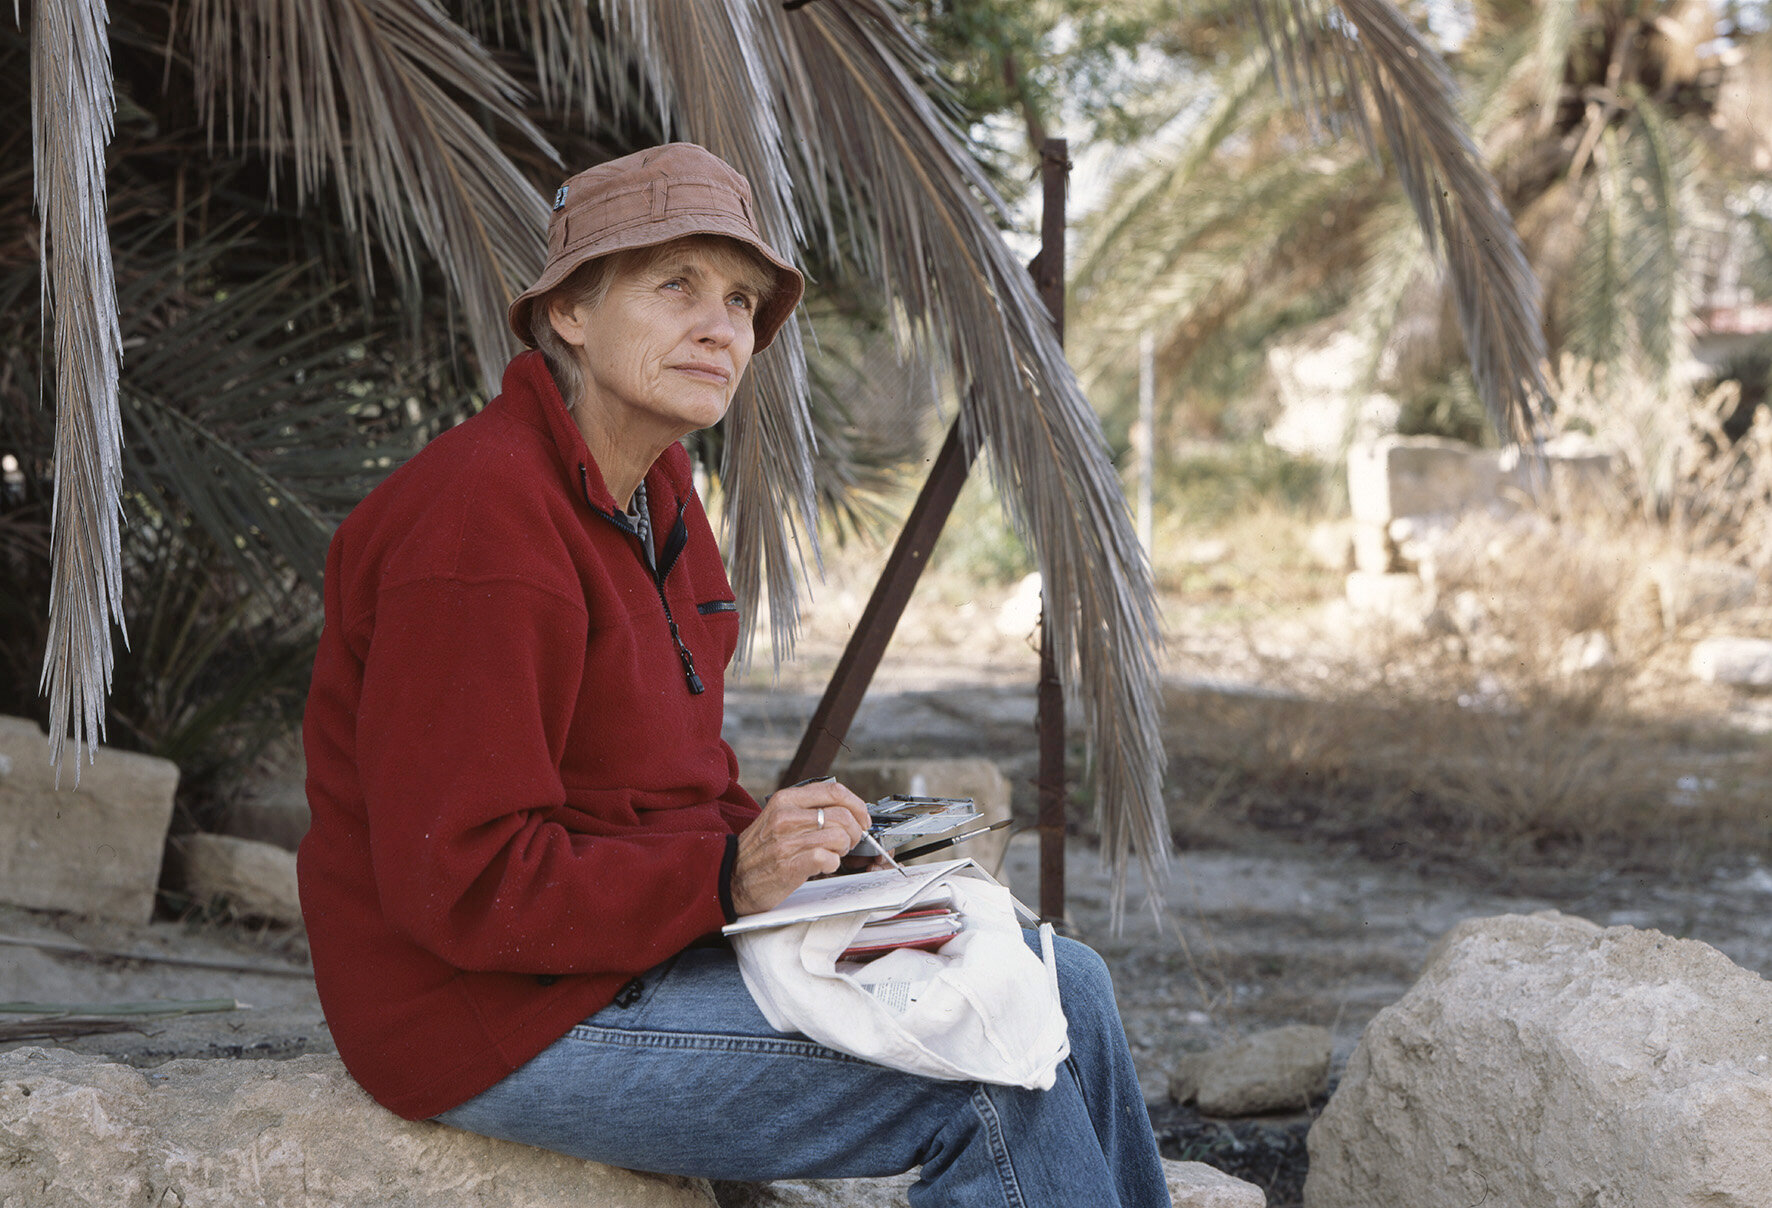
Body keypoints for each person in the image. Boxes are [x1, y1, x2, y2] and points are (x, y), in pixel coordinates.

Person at [297, 142, 1169, 1206]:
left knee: (1057, 978)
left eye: (742, 299)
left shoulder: (656, 493)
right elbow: (464, 882)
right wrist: (720, 878)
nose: (722, 326)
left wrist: (813, 860)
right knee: (989, 1081)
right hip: (484, 1015)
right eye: (675, 286)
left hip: (624, 955)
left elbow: (675, 784)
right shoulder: (479, 526)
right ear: (569, 309)